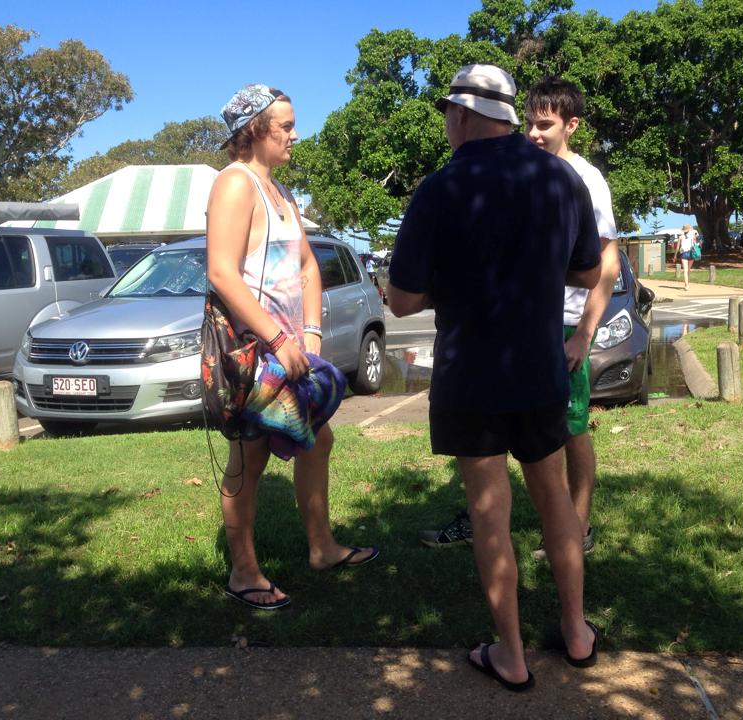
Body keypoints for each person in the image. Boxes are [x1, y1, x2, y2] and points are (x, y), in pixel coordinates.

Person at [389, 64, 602, 691]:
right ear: (508, 116)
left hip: (471, 376)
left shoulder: (440, 188)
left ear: (459, 115)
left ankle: (510, 654)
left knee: (490, 511)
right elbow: (589, 274)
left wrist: (457, 287)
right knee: (554, 497)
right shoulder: (562, 178)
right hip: (540, 368)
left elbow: (400, 301)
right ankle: (577, 631)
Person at [419, 76, 622, 560]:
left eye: (546, 124)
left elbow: (605, 266)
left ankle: (580, 525)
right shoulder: (518, 173)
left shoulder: (584, 179)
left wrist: (585, 334)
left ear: (572, 125)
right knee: (491, 438)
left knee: (569, 429)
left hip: (568, 326)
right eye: (529, 121)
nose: (534, 132)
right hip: (518, 330)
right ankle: (481, 518)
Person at [206, 84, 378, 611]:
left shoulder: (279, 191)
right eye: (285, 125)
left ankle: (322, 548)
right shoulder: (234, 185)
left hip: (288, 350)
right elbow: (222, 273)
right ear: (254, 130)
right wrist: (278, 339)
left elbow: (307, 266)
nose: (295, 135)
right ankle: (243, 572)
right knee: (248, 460)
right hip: (252, 351)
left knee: (318, 443)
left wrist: (310, 335)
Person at [671, 223, 700, 290]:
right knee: (688, 270)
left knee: (685, 270)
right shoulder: (692, 236)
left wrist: (675, 255)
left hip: (684, 253)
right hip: (691, 253)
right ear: (689, 229)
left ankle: (686, 285)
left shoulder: (680, 237)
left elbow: (677, 247)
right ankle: (687, 284)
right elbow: (696, 237)